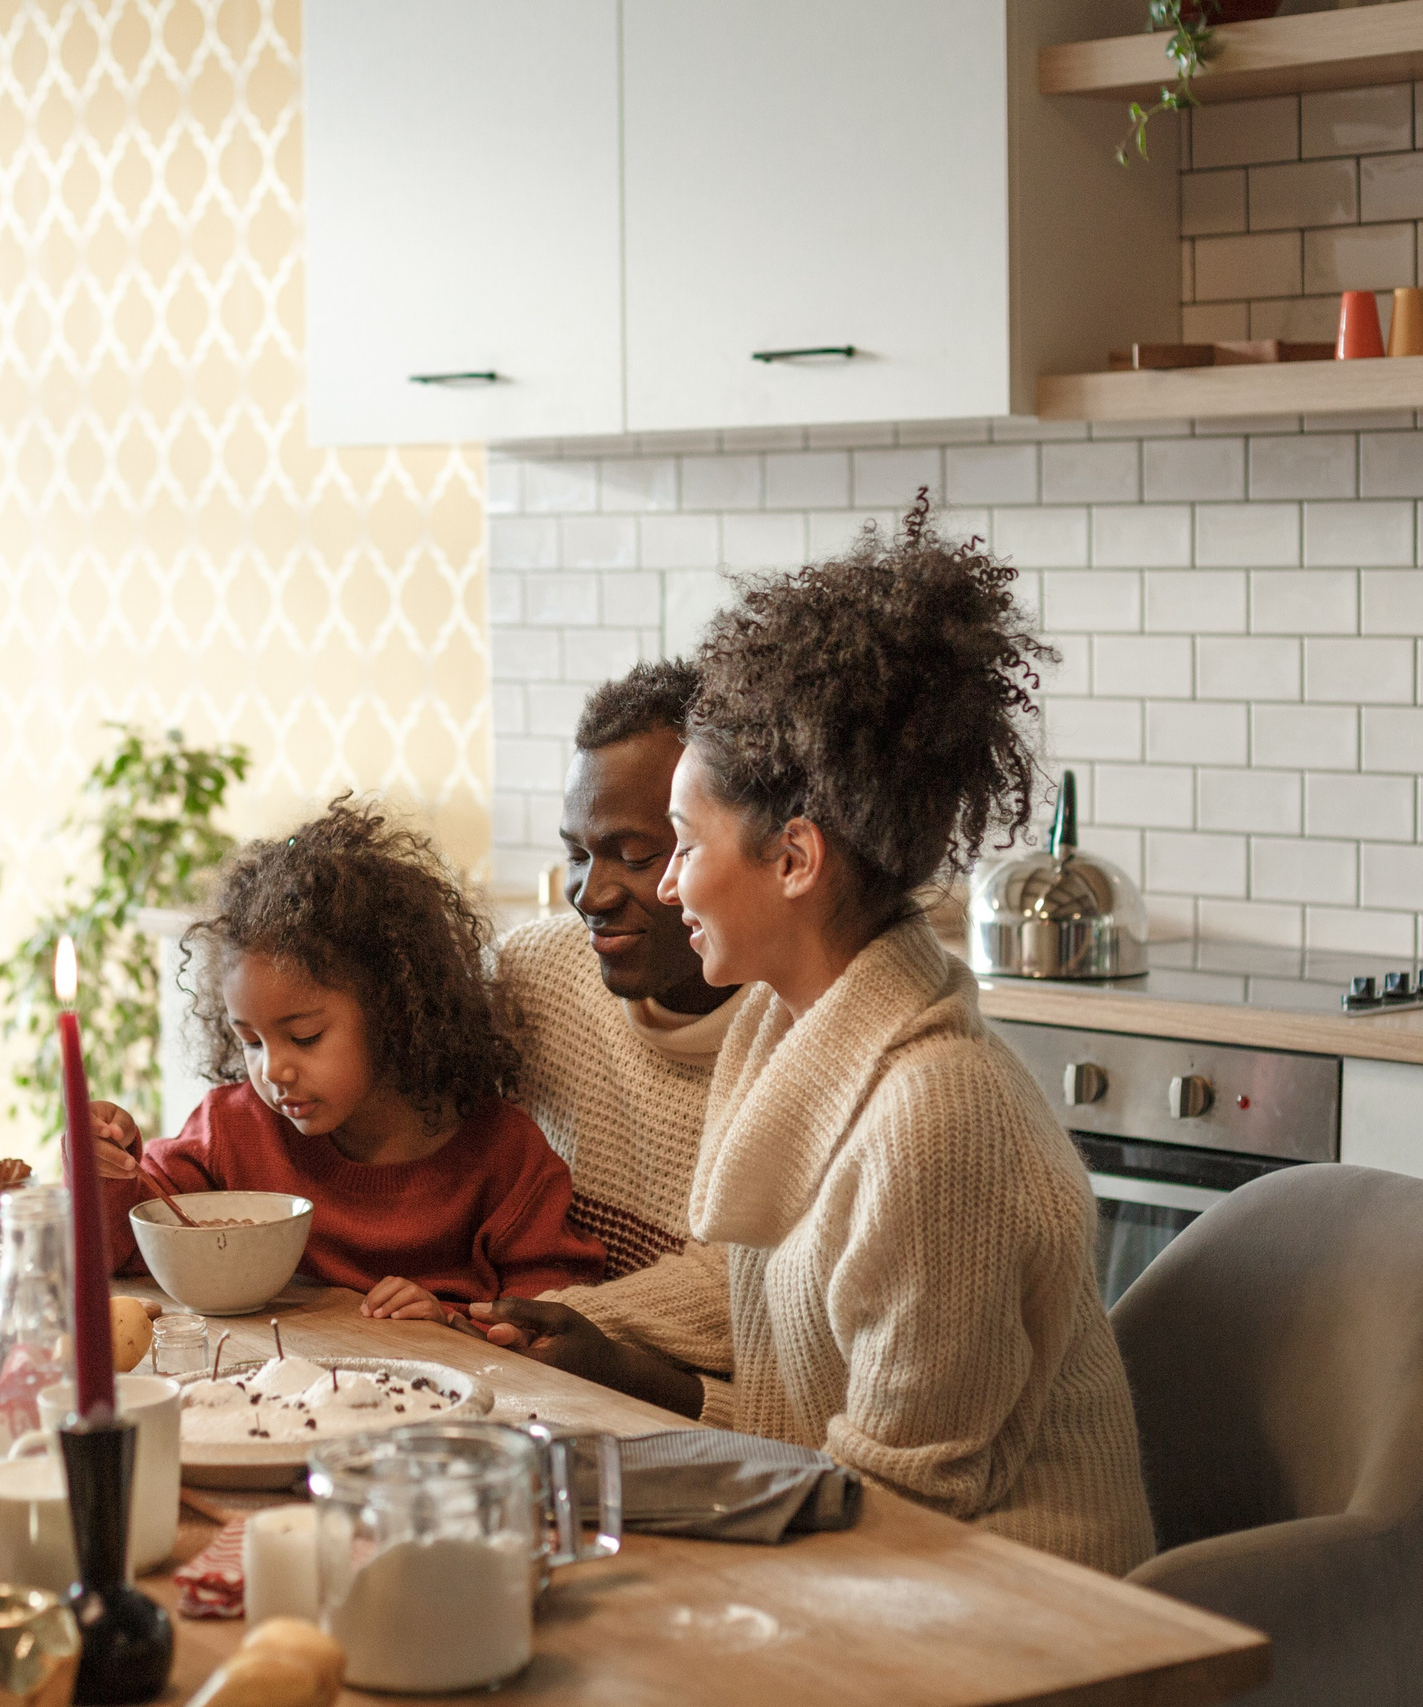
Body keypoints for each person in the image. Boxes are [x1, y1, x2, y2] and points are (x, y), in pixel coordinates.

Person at [476, 498, 1157, 1575]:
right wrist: (596, 1360)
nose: (660, 884)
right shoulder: (792, 1029)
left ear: (793, 860)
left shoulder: (936, 1119)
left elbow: (903, 1509)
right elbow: (787, 1366)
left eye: (683, 845)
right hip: (872, 1567)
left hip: (1025, 1626)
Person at [85, 800, 605, 1309]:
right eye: (250, 1041)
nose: (272, 1069)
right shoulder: (232, 1132)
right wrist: (105, 1170)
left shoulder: (500, 1157)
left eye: (305, 1036)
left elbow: (556, 1316)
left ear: (392, 1010)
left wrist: (456, 1323)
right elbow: (122, 1252)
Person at [484, 660, 745, 1281]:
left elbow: (759, 1311)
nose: (590, 895)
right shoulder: (535, 977)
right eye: (577, 854)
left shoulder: (795, 1031)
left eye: (633, 856)